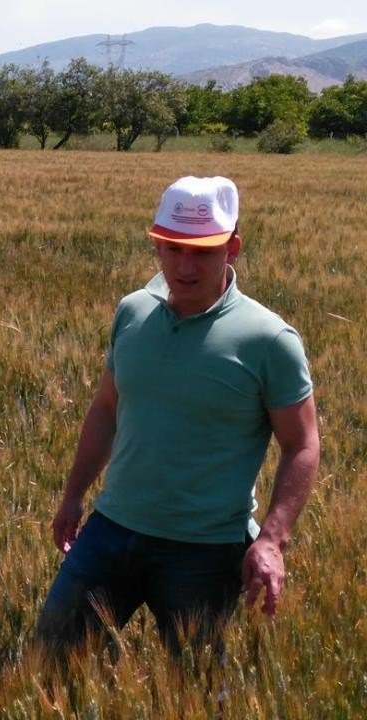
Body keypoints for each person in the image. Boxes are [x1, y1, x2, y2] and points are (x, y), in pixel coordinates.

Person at [35, 176, 320, 663]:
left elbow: (302, 444)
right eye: (173, 248)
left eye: (204, 252)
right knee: (52, 662)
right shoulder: (132, 313)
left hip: (205, 550)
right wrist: (73, 495)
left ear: (232, 248)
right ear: (157, 245)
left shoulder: (269, 340)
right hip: (111, 530)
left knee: (199, 690)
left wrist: (272, 540)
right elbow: (107, 409)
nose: (185, 266)